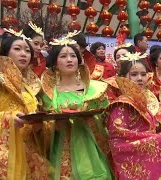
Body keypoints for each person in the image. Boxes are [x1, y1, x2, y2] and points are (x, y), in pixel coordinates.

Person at [0, 29, 49, 178]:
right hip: (5, 156)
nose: (24, 54)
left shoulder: (30, 87)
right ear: (6, 53)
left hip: (30, 154)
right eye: (17, 49)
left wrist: (39, 125)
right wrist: (8, 119)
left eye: (27, 51)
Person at [40, 35, 113, 179]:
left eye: (73, 55)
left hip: (91, 147)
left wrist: (92, 120)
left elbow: (107, 117)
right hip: (60, 149)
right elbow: (42, 121)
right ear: (55, 63)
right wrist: (54, 124)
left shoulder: (94, 89)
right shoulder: (48, 93)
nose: (69, 59)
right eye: (63, 56)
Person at [106, 52, 161, 179]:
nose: (140, 78)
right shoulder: (121, 105)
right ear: (123, 77)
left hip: (149, 161)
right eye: (134, 74)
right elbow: (119, 142)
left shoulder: (144, 102)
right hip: (134, 164)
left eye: (143, 74)